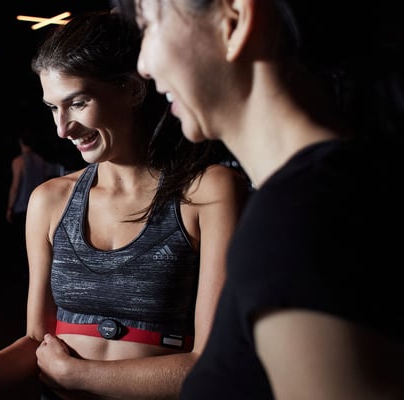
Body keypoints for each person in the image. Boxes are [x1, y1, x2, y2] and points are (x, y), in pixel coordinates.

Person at [0, 11, 247, 400]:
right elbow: (36, 343)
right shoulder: (50, 201)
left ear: (131, 89)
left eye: (77, 103)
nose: (62, 128)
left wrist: (78, 375)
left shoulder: (206, 192)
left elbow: (214, 365)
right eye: (52, 108)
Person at [112, 0, 404, 398]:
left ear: (234, 20)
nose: (143, 65)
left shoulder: (297, 220)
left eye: (148, 26)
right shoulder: (339, 188)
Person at [6, 127, 59, 273]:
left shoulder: (18, 161)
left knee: (22, 243)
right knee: (37, 244)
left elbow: (15, 186)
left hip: (21, 207)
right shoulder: (40, 160)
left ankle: (22, 274)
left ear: (21, 142)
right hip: (39, 208)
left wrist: (10, 207)